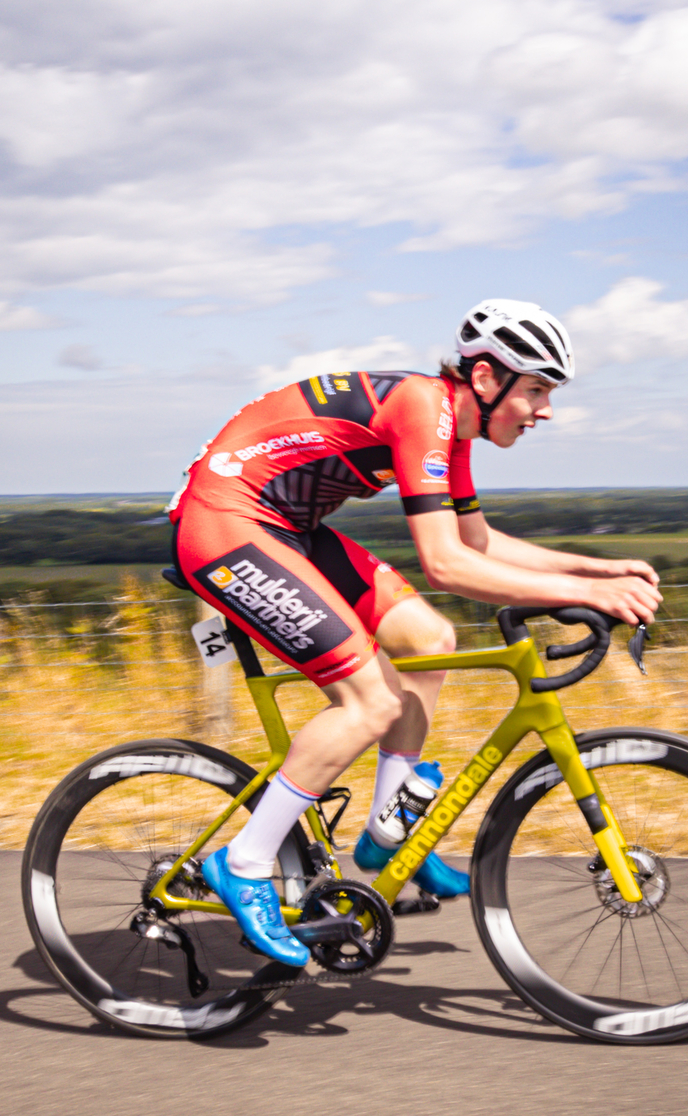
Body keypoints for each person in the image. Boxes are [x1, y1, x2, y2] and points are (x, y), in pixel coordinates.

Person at [168, 299, 661, 967]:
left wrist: (597, 567)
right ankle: (245, 862)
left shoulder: (451, 428)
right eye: (538, 388)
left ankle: (388, 826)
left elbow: (476, 540)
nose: (545, 409)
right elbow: (448, 565)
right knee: (369, 700)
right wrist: (588, 593)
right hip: (225, 521)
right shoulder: (423, 410)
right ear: (487, 380)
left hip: (286, 528)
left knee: (429, 638)